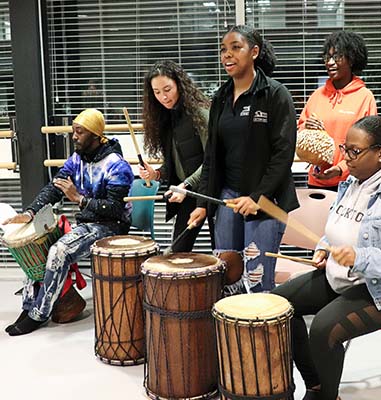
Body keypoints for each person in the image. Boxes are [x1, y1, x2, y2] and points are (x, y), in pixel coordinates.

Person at [273, 116, 381, 400]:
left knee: (325, 330)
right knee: (280, 306)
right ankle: (316, 386)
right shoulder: (351, 182)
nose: (345, 158)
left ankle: (326, 396)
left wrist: (360, 257)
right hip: (343, 276)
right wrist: (324, 247)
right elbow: (339, 229)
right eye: (344, 148)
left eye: (354, 151)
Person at [3, 108, 134, 336]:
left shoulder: (117, 165)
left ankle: (40, 314)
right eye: (74, 131)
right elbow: (55, 187)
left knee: (59, 251)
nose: (73, 136)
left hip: (110, 226)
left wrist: (80, 199)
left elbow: (115, 209)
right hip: (87, 222)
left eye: (79, 132)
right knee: (37, 245)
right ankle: (28, 306)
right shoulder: (77, 159)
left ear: (95, 135)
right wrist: (31, 212)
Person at [188, 25, 299, 294]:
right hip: (227, 197)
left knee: (257, 281)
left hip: (266, 201)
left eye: (236, 48)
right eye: (223, 50)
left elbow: (283, 155)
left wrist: (258, 197)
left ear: (254, 52)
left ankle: (264, 336)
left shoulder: (274, 94)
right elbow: (212, 156)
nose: (227, 55)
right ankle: (232, 337)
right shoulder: (220, 98)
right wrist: (203, 203)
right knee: (227, 276)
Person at [139, 60, 211, 252]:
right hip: (188, 192)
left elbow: (213, 161)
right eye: (157, 92)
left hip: (211, 191)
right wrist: (156, 174)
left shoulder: (200, 114)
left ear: (179, 84)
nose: (163, 97)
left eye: (167, 89)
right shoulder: (167, 118)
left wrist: (186, 185)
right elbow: (178, 161)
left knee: (223, 253)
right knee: (176, 251)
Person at [298, 30, 377, 191]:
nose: (330, 62)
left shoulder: (364, 97)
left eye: (337, 57)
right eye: (327, 57)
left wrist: (341, 168)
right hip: (317, 181)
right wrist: (307, 128)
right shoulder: (317, 95)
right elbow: (300, 131)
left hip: (351, 182)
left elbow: (369, 143)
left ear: (352, 59)